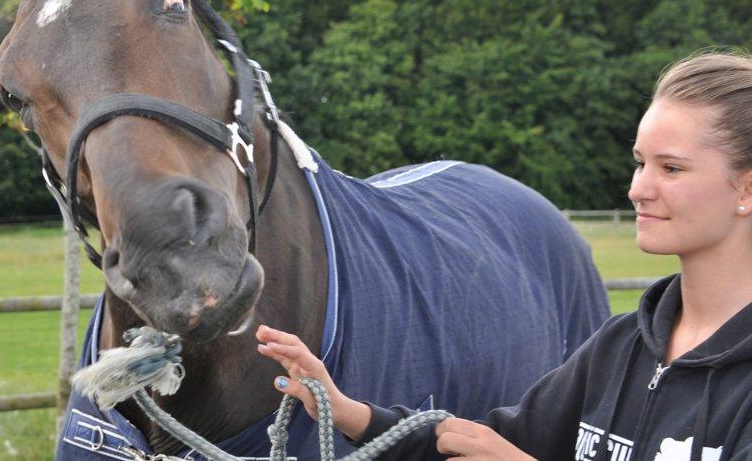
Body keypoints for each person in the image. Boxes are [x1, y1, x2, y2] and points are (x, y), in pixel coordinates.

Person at [257, 52, 752, 460]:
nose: (638, 188)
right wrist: (347, 412)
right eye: (641, 162)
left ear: (746, 188)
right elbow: (488, 442)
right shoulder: (621, 346)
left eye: (671, 168)